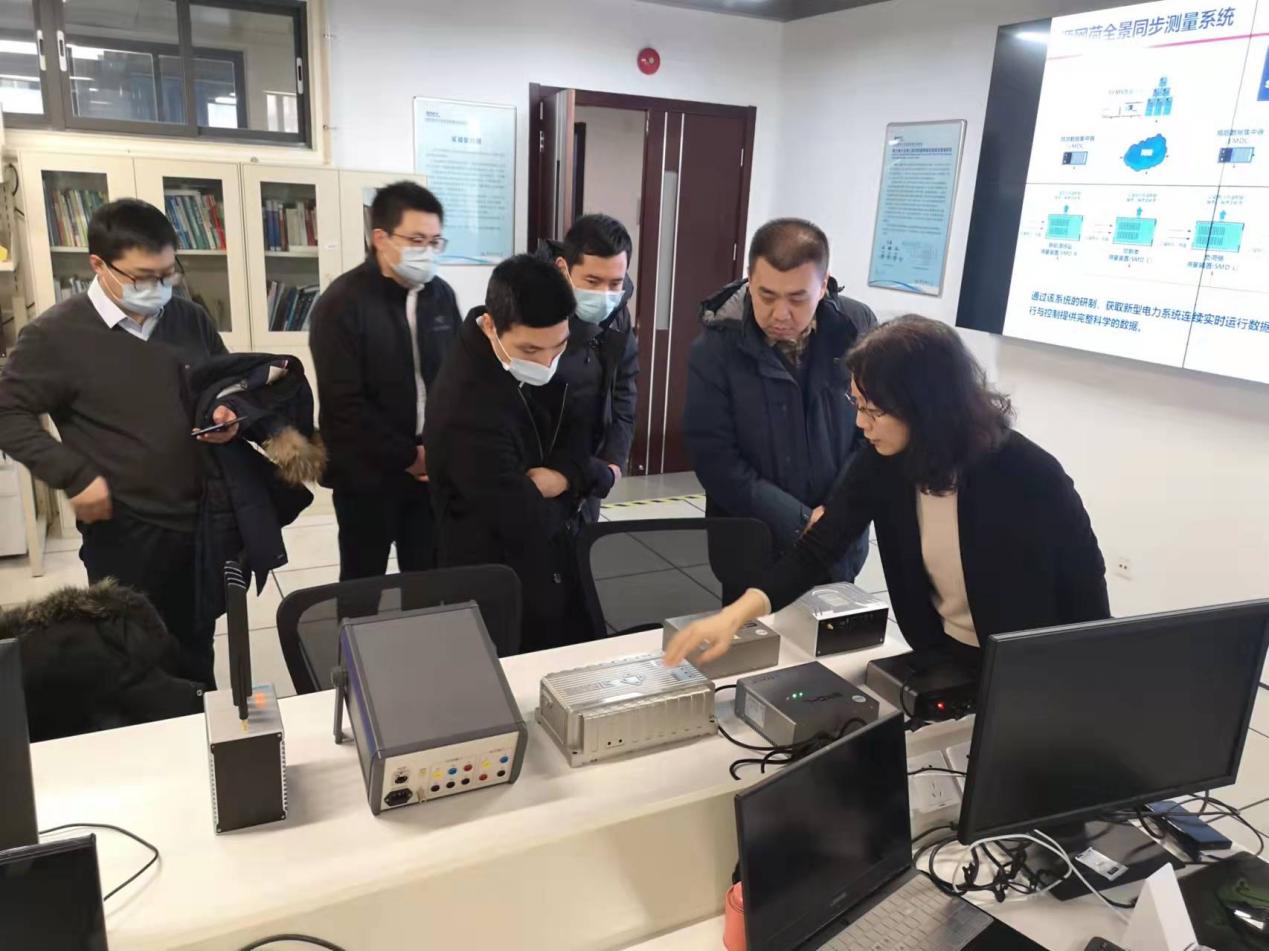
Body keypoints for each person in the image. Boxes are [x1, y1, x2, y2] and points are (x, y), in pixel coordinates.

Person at [666, 315, 1109, 668]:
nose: (861, 424)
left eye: (874, 411)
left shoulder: (1030, 476)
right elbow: (818, 549)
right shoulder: (884, 462)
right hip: (939, 654)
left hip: (1025, 668)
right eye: (857, 405)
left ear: (925, 409)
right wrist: (735, 615)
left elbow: (1086, 594)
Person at [0, 199, 237, 687]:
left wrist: (226, 412)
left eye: (168, 274)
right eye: (143, 277)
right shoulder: (55, 335)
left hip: (198, 520)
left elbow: (222, 382)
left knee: (195, 645)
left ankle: (198, 720)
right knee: (133, 657)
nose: (159, 288)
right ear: (99, 265)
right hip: (125, 528)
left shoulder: (188, 318)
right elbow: (8, 412)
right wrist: (74, 475)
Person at [423, 255, 615, 653]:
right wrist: (584, 481)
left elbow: (574, 435)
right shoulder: (465, 406)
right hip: (495, 579)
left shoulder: (535, 353)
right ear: (491, 326)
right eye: (530, 349)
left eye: (557, 346)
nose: (546, 363)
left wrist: (562, 478)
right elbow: (524, 517)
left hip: (552, 565)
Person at [684, 218, 876, 583]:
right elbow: (715, 459)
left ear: (823, 285)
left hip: (839, 540)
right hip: (752, 545)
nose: (780, 314)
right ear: (750, 280)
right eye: (767, 296)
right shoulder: (716, 348)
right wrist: (801, 521)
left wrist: (835, 515)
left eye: (797, 298)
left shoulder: (857, 327)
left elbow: (871, 434)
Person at [309, 181, 461, 582]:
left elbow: (456, 379)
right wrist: (410, 457)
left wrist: (439, 451)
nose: (427, 251)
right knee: (363, 584)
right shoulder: (341, 303)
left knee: (428, 580)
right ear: (381, 238)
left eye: (435, 241)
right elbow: (344, 405)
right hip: (367, 473)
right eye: (416, 240)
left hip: (430, 471)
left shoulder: (441, 296)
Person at [541, 214, 638, 522]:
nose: (605, 295)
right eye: (592, 282)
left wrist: (614, 461)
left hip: (591, 472)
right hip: (539, 472)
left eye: (615, 283)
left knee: (582, 545)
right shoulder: (532, 310)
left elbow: (624, 389)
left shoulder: (618, 314)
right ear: (563, 269)